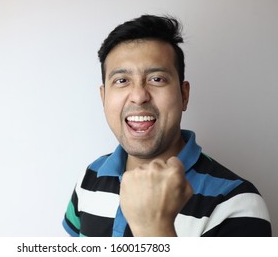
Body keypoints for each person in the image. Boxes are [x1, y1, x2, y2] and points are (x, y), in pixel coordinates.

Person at [62, 15, 272, 237]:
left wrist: (154, 228)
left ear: (184, 95)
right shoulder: (90, 178)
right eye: (122, 80)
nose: (139, 96)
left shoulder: (237, 203)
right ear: (104, 98)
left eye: (157, 79)